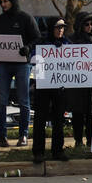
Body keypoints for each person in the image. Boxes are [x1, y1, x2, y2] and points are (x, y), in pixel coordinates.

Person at [0, 0, 38, 148]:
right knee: (1, 101)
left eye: (6, 1)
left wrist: (27, 48)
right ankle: (2, 136)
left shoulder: (25, 18)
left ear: (12, 1)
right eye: (1, 2)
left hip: (22, 64)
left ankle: (23, 135)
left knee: (24, 101)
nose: (3, 5)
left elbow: (37, 37)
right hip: (3, 64)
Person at [32, 18, 71, 162]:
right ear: (51, 28)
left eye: (63, 27)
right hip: (43, 86)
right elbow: (33, 58)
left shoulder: (68, 44)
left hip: (60, 87)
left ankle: (57, 151)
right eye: (57, 27)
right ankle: (38, 152)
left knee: (59, 120)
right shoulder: (41, 43)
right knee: (40, 120)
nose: (60, 30)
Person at [69, 13, 92, 148]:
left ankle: (90, 140)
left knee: (91, 113)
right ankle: (78, 140)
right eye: (86, 24)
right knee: (77, 113)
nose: (90, 27)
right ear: (80, 25)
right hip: (77, 83)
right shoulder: (72, 40)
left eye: (91, 24)